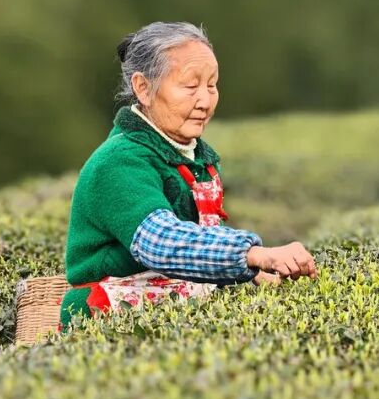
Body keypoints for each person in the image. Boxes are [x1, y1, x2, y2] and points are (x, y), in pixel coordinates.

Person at [60, 22, 317, 327]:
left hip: (173, 308)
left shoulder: (195, 156)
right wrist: (253, 254)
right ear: (143, 88)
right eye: (190, 86)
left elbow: (199, 244)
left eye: (212, 85)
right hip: (107, 319)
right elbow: (160, 242)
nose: (206, 101)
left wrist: (250, 274)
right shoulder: (119, 162)